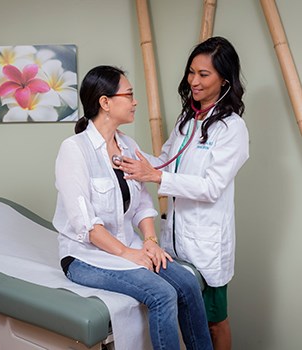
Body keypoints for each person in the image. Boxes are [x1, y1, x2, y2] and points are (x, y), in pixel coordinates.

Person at [52, 65, 213, 350]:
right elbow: (85, 224)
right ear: (105, 102)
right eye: (129, 94)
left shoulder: (127, 146)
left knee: (187, 283)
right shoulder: (74, 149)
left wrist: (150, 242)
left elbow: (141, 204)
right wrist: (130, 254)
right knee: (162, 293)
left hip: (128, 246)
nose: (135, 101)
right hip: (86, 256)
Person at [119, 37, 249, 350]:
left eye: (204, 74)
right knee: (188, 318)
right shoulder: (187, 119)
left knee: (213, 321)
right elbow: (163, 160)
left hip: (207, 243)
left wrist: (157, 176)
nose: (193, 80)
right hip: (174, 240)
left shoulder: (232, 128)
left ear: (224, 80)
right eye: (191, 72)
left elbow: (211, 186)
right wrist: (121, 143)